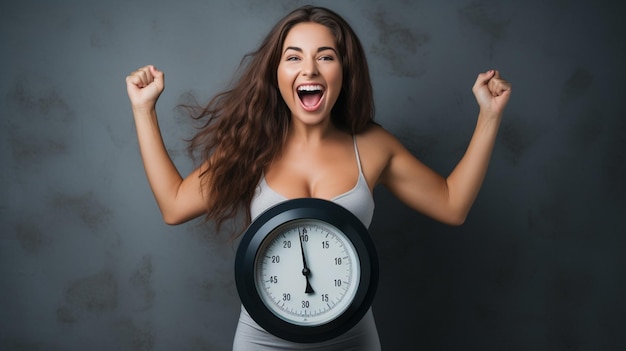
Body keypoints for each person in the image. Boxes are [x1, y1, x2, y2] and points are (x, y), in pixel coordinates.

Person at [125, 5, 511, 350]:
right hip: (262, 341)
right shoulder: (251, 147)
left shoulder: (372, 146)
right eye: (293, 58)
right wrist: (144, 110)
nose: (309, 69)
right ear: (277, 74)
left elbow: (452, 204)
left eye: (325, 57)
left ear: (344, 70)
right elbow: (175, 206)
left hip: (353, 339)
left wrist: (489, 117)